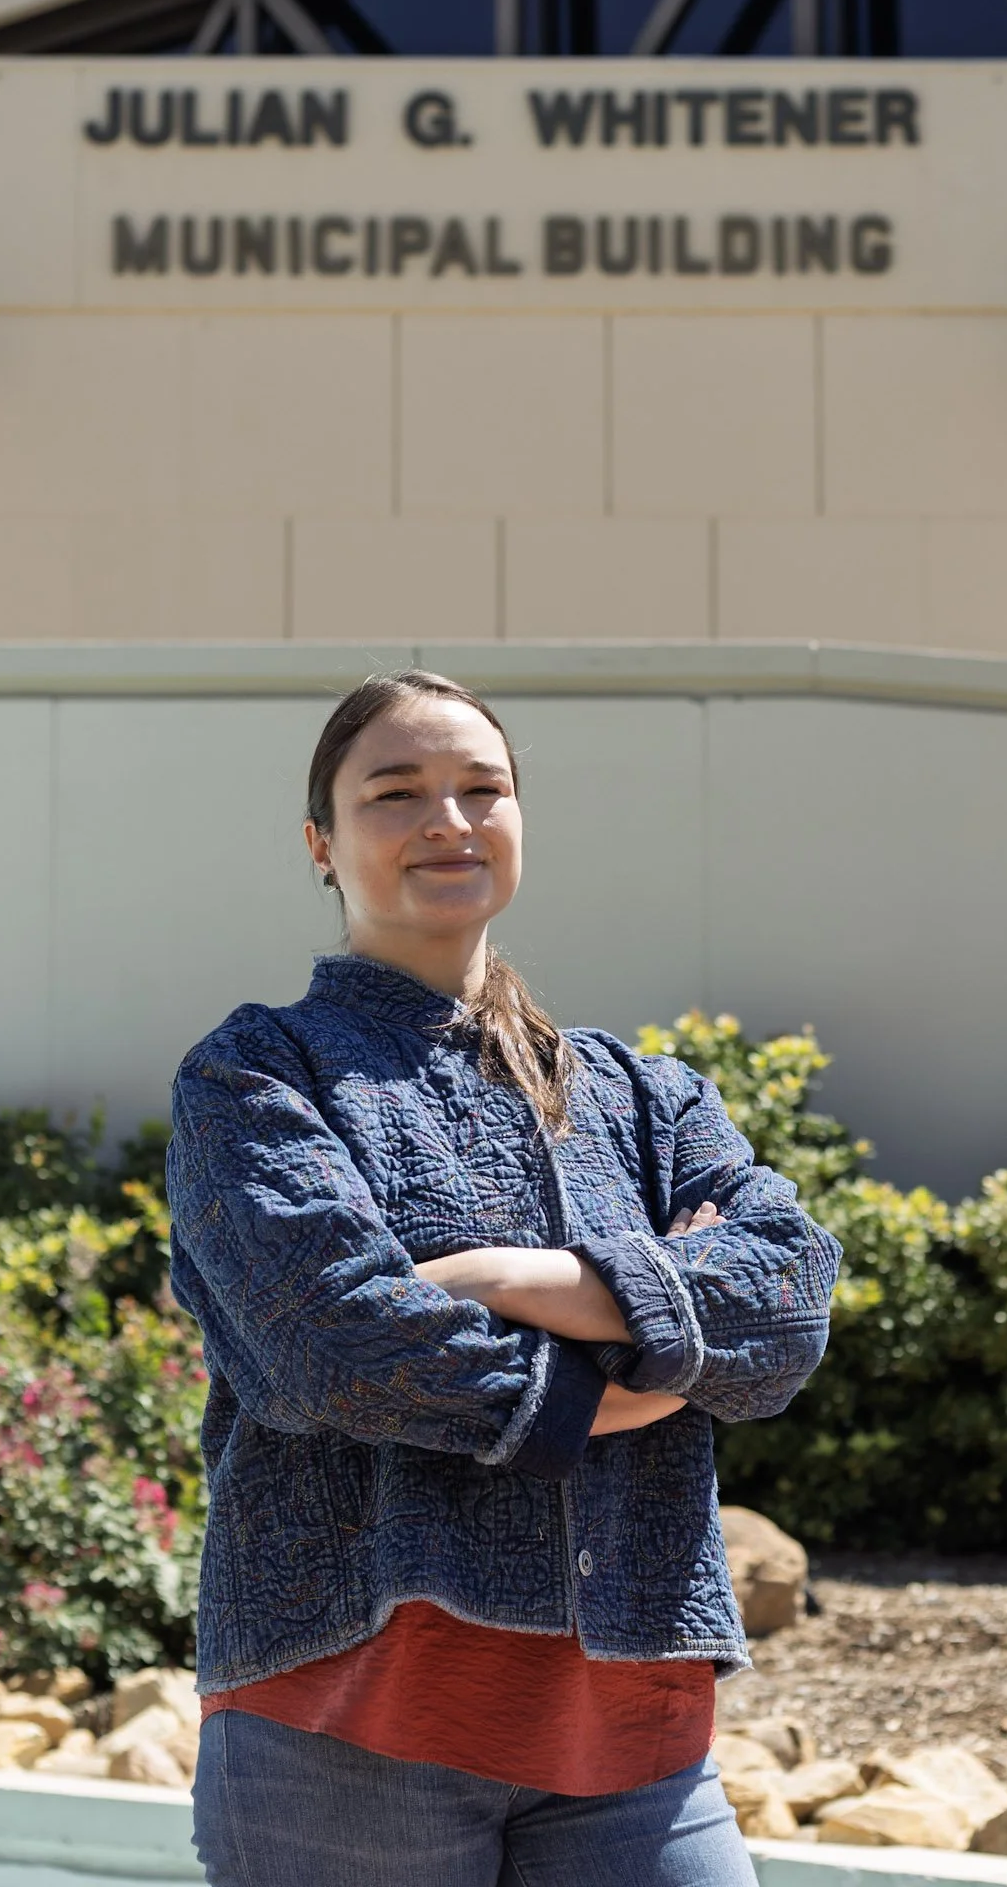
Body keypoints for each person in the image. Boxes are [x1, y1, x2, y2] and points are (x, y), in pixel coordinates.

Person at [166, 668, 842, 1887]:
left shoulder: (648, 1093)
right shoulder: (256, 1074)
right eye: (397, 791)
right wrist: (634, 1366)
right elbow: (337, 1341)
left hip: (636, 1738)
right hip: (347, 1726)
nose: (448, 818)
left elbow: (786, 1297)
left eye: (483, 787)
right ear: (321, 842)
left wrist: (505, 1274)